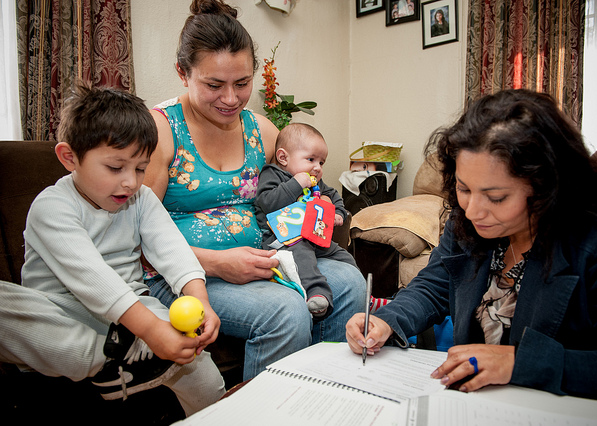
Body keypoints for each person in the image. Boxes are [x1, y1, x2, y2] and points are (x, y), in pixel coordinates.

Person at [346, 89, 597, 403]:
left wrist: (519, 363)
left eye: (496, 197)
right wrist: (387, 321)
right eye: (463, 188)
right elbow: (435, 284)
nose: (473, 211)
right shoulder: (466, 221)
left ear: (548, 185)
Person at [143, 0, 366, 381]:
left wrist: (324, 210)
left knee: (350, 283)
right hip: (182, 273)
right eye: (214, 85)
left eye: (242, 83)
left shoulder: (260, 131)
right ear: (183, 73)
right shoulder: (159, 131)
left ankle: (324, 394)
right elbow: (136, 231)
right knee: (284, 311)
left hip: (264, 258)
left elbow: (292, 190)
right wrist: (216, 263)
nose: (230, 99)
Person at [0, 83, 225, 416]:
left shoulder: (141, 198)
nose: (131, 183)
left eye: (140, 168)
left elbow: (172, 249)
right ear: (69, 158)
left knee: (194, 359)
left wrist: (199, 300)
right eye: (116, 168)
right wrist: (149, 331)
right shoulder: (52, 207)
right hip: (63, 313)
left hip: (132, 313)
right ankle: (104, 360)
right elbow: (92, 278)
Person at [255, 123, 359, 320]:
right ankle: (316, 294)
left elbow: (333, 194)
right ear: (283, 157)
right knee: (303, 258)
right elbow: (267, 202)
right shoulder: (273, 174)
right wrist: (296, 184)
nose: (317, 168)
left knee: (344, 257)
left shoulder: (315, 181)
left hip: (312, 235)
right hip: (283, 240)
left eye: (321, 162)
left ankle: (362, 296)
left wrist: (338, 212)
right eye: (311, 159)